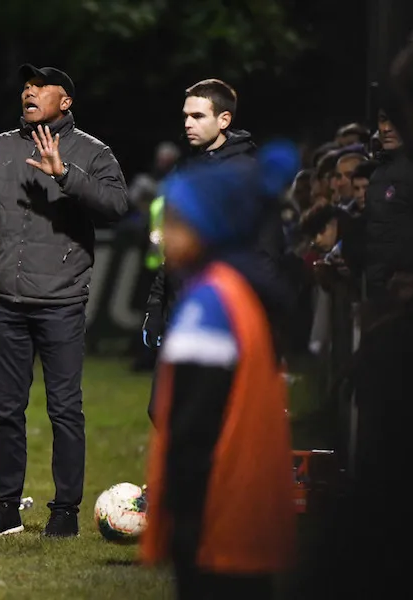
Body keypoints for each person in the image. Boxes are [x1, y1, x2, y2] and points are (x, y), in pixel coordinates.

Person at [0, 64, 128, 537]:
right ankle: (4, 507)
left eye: (41, 85)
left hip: (61, 301)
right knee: (6, 410)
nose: (29, 90)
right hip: (5, 299)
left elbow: (118, 208)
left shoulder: (92, 152)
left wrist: (66, 174)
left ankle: (64, 513)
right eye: (25, 85)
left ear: (66, 102)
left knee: (64, 409)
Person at [141, 142, 299, 600]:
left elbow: (195, 427)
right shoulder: (243, 292)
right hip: (247, 514)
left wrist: (178, 516)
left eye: (172, 222)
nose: (161, 236)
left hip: (214, 520)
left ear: (208, 226)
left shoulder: (208, 306)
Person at [143, 78, 289, 423]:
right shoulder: (188, 168)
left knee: (213, 418)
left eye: (197, 116)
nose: (188, 124)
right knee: (164, 411)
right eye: (185, 116)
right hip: (184, 307)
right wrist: (157, 304)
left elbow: (266, 251)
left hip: (225, 314)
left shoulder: (245, 176)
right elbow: (172, 250)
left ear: (224, 120)